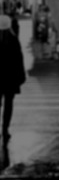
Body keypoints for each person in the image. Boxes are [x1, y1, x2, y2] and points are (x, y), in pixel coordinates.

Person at [0, 15, 26, 143]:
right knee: (8, 104)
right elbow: (19, 60)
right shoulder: (13, 40)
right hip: (10, 79)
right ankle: (5, 130)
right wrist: (21, 77)